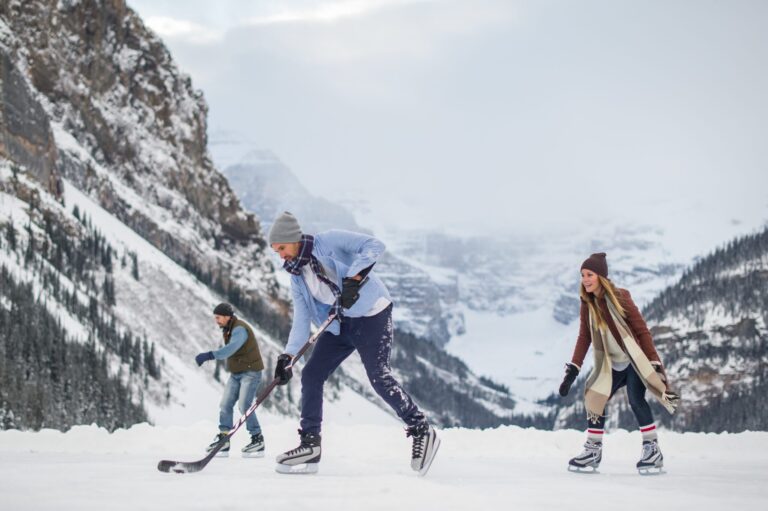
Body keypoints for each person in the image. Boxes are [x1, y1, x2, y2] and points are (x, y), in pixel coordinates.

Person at [267, 211, 439, 475]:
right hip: (341, 323)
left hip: (372, 313)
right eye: (275, 250)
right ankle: (310, 444)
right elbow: (302, 320)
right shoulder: (296, 277)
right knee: (311, 374)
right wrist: (287, 357)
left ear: (294, 239)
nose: (280, 255)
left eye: (282, 247)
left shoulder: (329, 241)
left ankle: (421, 429)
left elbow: (374, 246)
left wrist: (355, 279)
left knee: (378, 377)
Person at [558, 253, 679, 474]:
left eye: (590, 274)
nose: (585, 279)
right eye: (583, 275)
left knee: (636, 399)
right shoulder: (587, 303)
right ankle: (593, 451)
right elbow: (584, 337)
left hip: (632, 360)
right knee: (595, 397)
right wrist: (573, 370)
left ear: (601, 276)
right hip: (610, 363)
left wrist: (654, 362)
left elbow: (642, 331)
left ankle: (652, 450)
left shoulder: (621, 297)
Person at [195, 302, 266, 458]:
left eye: (218, 317)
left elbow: (230, 349)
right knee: (225, 405)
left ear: (227, 317)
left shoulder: (239, 329)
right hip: (236, 373)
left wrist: (209, 355)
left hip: (251, 372)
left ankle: (257, 439)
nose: (217, 321)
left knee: (244, 405)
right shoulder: (228, 328)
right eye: (215, 318)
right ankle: (224, 439)